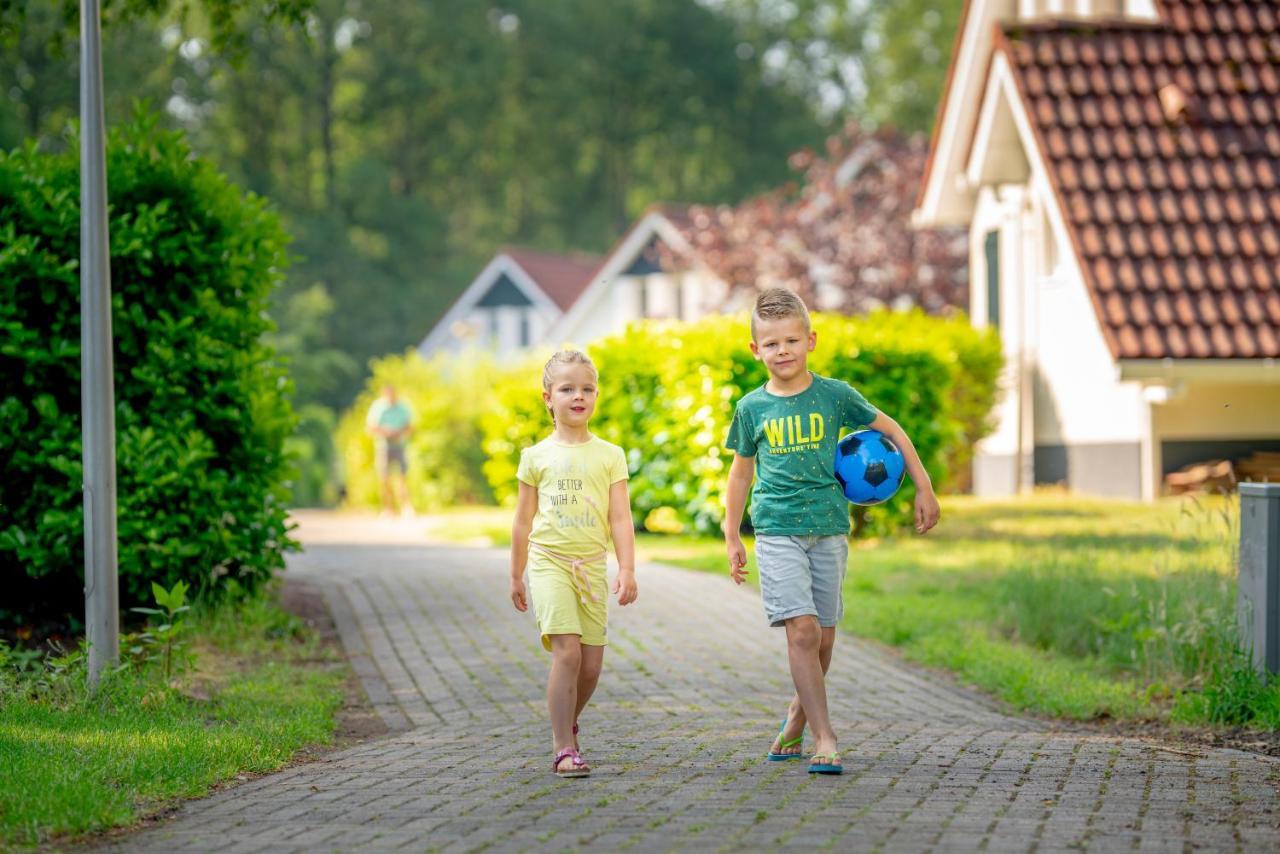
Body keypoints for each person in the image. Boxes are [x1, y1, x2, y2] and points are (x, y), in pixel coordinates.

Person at [722, 288, 940, 775]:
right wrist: (732, 531)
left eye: (792, 340)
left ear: (811, 340)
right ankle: (826, 735)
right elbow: (740, 473)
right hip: (777, 530)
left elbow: (894, 431)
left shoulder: (835, 395)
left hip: (829, 530)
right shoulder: (752, 408)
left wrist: (923, 487)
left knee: (822, 640)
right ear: (755, 350)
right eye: (772, 343)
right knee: (800, 632)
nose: (783, 351)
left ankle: (795, 723)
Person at [510, 349, 639, 778]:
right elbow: (522, 520)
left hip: (590, 566)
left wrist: (627, 568)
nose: (577, 396)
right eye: (567, 389)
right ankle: (563, 745)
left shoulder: (610, 455)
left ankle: (568, 719)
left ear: (596, 395)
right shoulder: (535, 457)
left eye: (586, 388)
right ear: (548, 397)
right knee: (566, 653)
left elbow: (620, 517)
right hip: (549, 563)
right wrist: (516, 573)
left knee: (591, 665)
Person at [365, 384, 414, 517]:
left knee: (402, 476)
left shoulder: (403, 407)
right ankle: (388, 509)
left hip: (399, 445)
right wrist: (385, 431)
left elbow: (410, 426)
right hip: (383, 446)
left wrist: (399, 432)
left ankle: (405, 507)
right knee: (384, 478)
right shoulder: (378, 407)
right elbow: (370, 427)